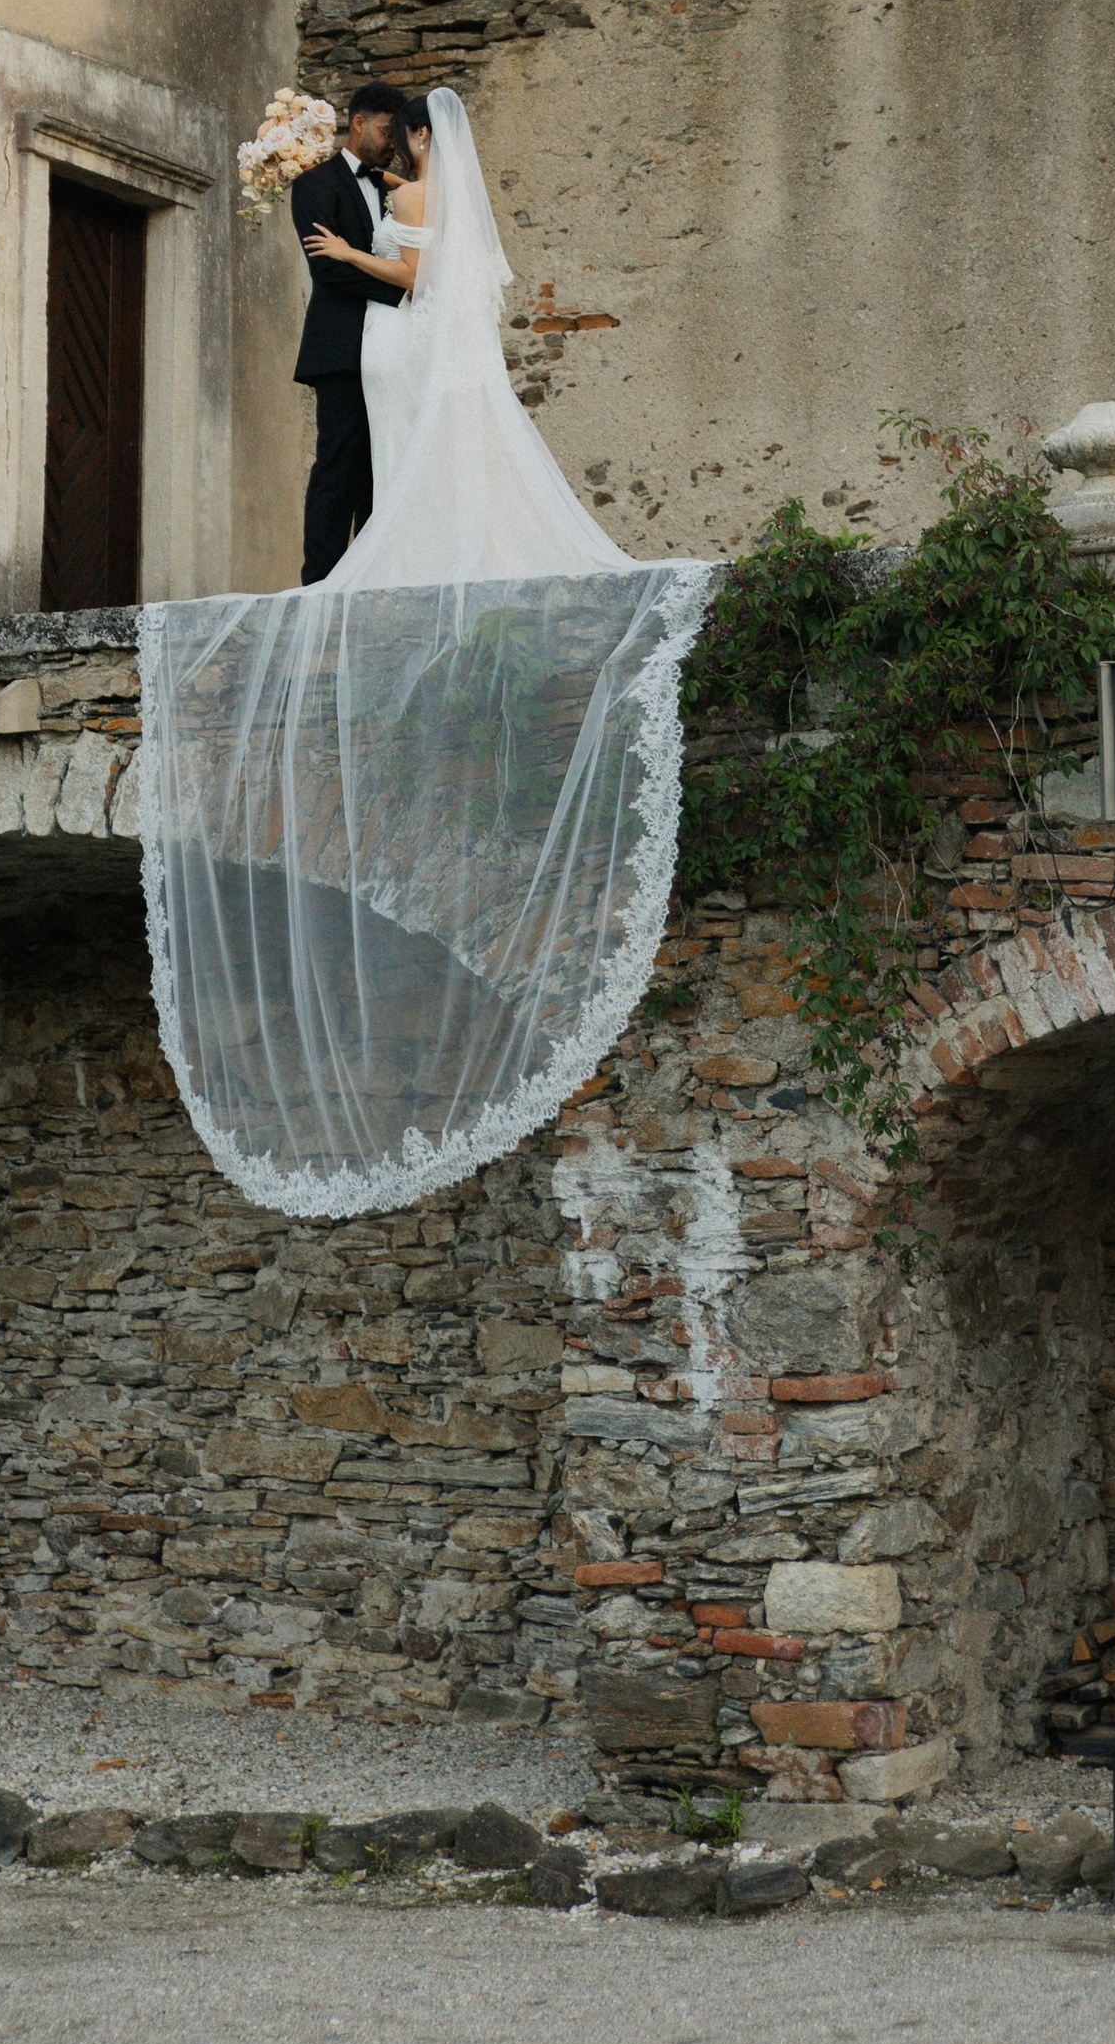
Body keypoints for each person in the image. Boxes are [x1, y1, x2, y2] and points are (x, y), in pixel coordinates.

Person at [139, 81, 715, 1217]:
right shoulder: (338, 183)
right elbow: (362, 275)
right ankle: (347, 572)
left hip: (407, 337)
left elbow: (418, 277)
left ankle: (385, 567)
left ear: (399, 132)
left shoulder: (411, 192)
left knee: (398, 463)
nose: (386, 146)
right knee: (355, 470)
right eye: (379, 133)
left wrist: (366, 260)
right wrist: (359, 261)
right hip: (367, 347)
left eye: (389, 134)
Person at [288, 81, 408, 582]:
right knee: (338, 465)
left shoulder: (393, 189)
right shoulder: (315, 184)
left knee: (382, 466)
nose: (393, 144)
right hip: (339, 348)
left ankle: (370, 577)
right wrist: (402, 294)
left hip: (390, 349)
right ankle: (320, 583)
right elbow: (328, 269)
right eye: (386, 131)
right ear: (358, 123)